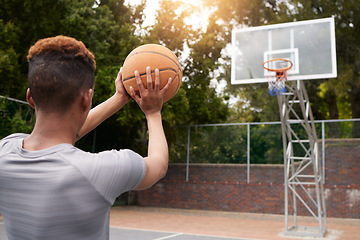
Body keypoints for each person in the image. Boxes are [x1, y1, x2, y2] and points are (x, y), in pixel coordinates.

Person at [0, 35, 172, 240]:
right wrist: (153, 113)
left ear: (30, 97)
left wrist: (119, 98)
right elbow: (158, 164)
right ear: (87, 99)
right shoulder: (100, 170)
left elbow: (59, 135)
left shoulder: (5, 151)